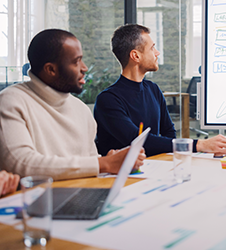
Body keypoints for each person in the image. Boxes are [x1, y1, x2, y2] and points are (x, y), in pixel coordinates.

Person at [0, 29, 145, 180]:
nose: (84, 68)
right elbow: (20, 164)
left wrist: (108, 162)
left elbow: (89, 168)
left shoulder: (80, 109)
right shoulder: (11, 101)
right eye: (76, 61)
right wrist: (103, 163)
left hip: (82, 194)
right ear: (51, 69)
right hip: (37, 200)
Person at [94, 24, 226, 157]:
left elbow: (169, 134)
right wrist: (199, 144)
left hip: (156, 167)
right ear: (136, 56)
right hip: (122, 178)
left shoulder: (153, 89)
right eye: (152, 48)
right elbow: (138, 141)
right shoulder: (108, 100)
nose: (157, 53)